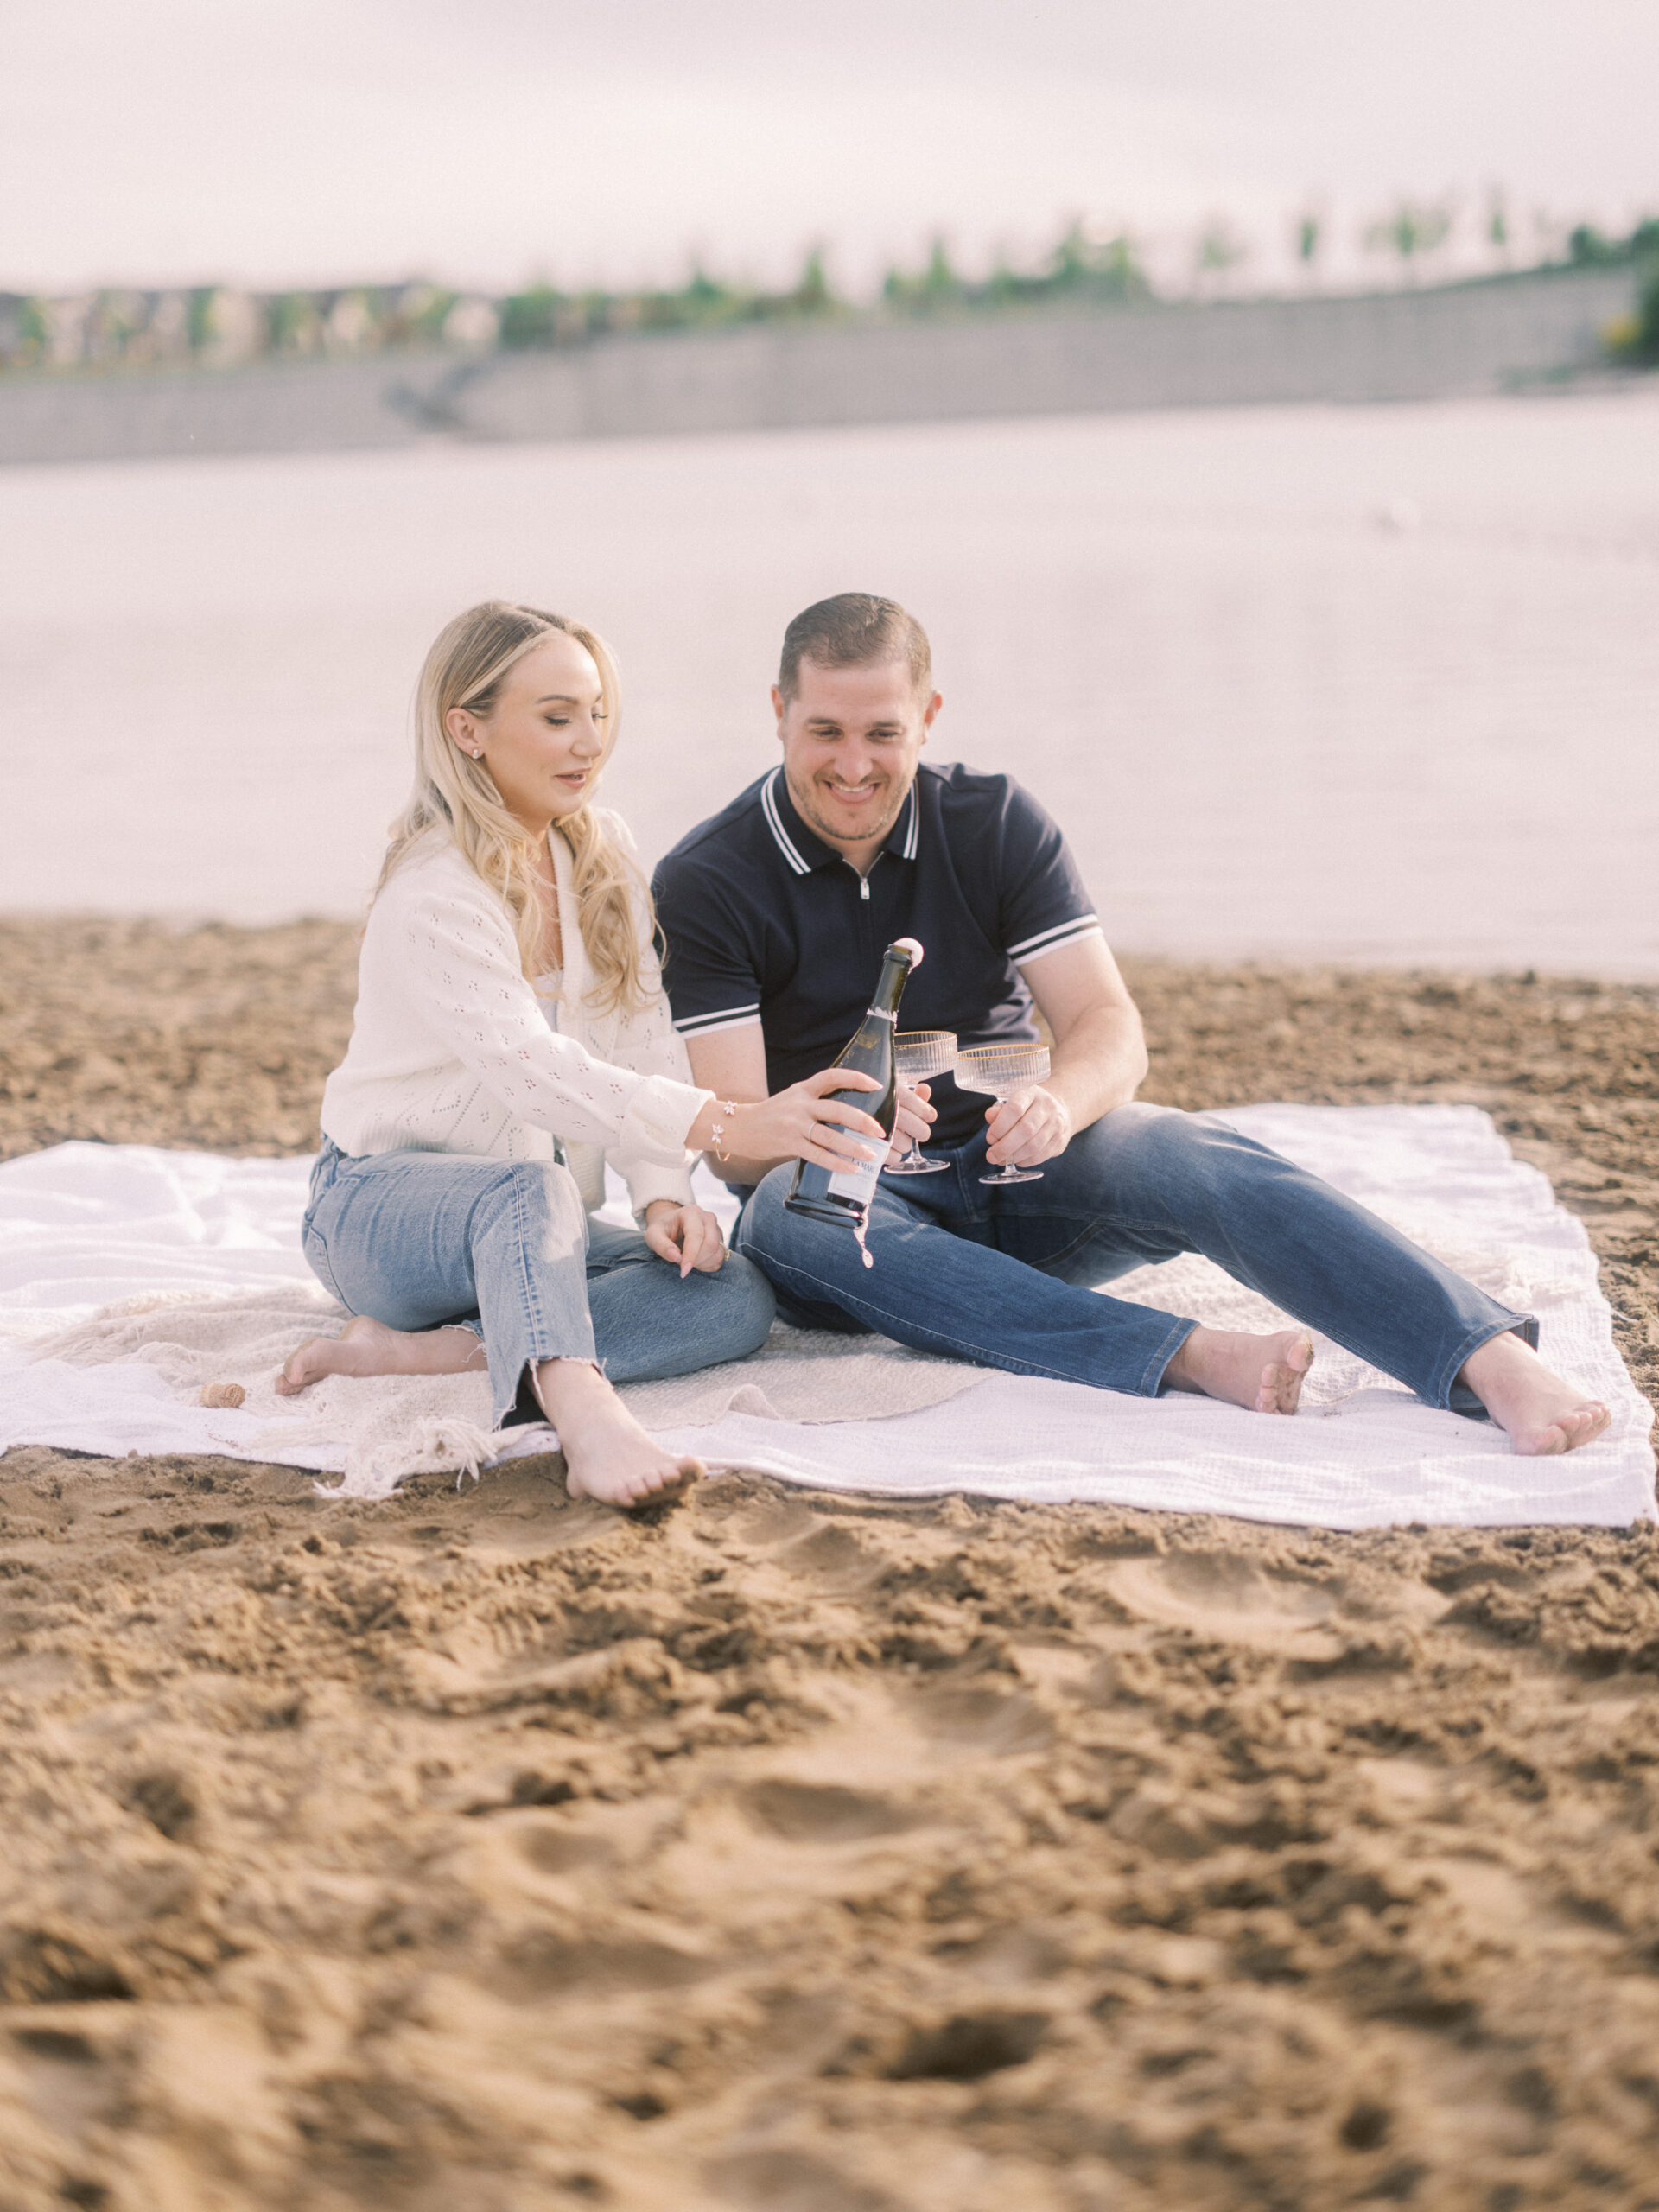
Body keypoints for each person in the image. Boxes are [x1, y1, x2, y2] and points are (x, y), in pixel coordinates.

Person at [652, 592, 1611, 1459]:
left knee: (1181, 1144)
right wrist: (835, 1122)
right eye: (824, 730)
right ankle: (1190, 1356)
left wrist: (1061, 1106)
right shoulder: (709, 878)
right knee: (785, 1215)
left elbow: (1110, 1026)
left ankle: (1485, 1357)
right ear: (776, 711)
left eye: (882, 733)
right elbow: (736, 1138)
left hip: (1022, 1177)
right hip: (863, 1217)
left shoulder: (990, 821)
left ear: (928, 719)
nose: (853, 766)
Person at [279, 601, 896, 1506]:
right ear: (469, 729)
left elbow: (641, 1037)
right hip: (378, 1214)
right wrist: (729, 1118)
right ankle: (584, 1414)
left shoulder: (596, 854)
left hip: (531, 1222)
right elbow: (538, 1075)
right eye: (557, 716)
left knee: (731, 1295)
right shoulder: (435, 891)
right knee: (529, 1188)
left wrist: (662, 1193)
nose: (589, 742)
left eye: (597, 712)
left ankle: (432, 1353)